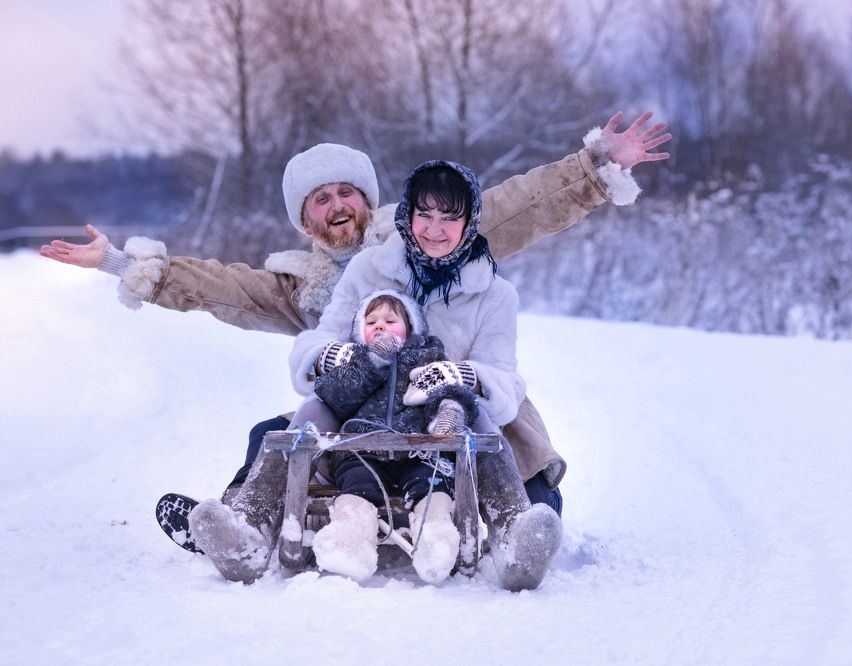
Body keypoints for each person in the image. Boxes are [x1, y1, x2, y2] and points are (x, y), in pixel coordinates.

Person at [39, 112, 671, 551]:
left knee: (527, 474)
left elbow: (519, 204)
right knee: (272, 436)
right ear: (304, 219)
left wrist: (593, 170)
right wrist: (125, 264)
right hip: (368, 409)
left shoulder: (431, 230)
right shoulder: (306, 290)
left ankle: (517, 535)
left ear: (368, 201)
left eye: (347, 191)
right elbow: (221, 286)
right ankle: (238, 527)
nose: (337, 204)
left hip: (464, 404)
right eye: (320, 198)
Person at [191, 157, 553, 590]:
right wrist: (339, 360)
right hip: (366, 405)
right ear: (407, 216)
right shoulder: (369, 269)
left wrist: (463, 377)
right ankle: (248, 526)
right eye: (424, 215)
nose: (434, 229)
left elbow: (503, 376)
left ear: (469, 222)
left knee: (519, 448)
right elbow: (315, 338)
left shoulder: (493, 294)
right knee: (290, 422)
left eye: (449, 218)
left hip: (444, 413)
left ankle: (518, 533)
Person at [288, 288, 479, 585]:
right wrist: (371, 362)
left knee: (431, 484)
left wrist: (449, 408)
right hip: (362, 449)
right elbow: (335, 396)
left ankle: (435, 538)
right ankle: (351, 541)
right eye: (371, 321)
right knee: (357, 486)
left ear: (412, 329)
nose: (380, 325)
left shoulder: (427, 360)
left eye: (391, 321)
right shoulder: (354, 361)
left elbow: (448, 388)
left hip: (418, 450)